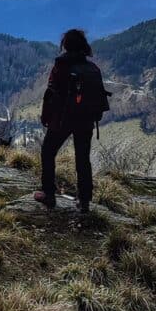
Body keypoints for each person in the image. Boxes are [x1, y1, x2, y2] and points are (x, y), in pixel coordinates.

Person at [33, 28, 110, 214]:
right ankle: (84, 201)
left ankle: (48, 195)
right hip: (86, 120)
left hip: (63, 119)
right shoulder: (93, 69)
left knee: (48, 151)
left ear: (65, 45)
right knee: (83, 159)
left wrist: (46, 118)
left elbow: (50, 95)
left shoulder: (60, 66)